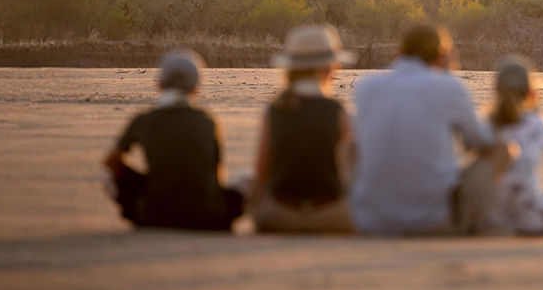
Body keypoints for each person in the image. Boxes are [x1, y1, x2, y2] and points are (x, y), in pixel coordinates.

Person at [348, 25, 509, 236]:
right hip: (433, 221)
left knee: (351, 146)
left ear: (398, 52)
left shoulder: (366, 87)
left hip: (370, 221)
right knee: (503, 150)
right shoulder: (449, 87)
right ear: (443, 55)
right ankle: (481, 218)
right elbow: (482, 140)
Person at [103, 50, 243, 231]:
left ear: (159, 84)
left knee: (108, 177)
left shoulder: (144, 120)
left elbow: (111, 162)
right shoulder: (208, 122)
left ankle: (138, 211)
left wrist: (141, 181)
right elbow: (216, 174)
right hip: (208, 216)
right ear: (195, 88)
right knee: (246, 179)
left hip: (153, 215)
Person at [250, 25, 358, 233]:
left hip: (279, 217)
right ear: (328, 68)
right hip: (332, 216)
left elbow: (261, 172)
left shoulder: (274, 110)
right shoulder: (338, 111)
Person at [483, 56, 543, 235]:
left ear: (496, 89)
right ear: (530, 90)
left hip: (493, 218)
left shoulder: (486, 124)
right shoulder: (537, 122)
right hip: (533, 221)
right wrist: (539, 111)